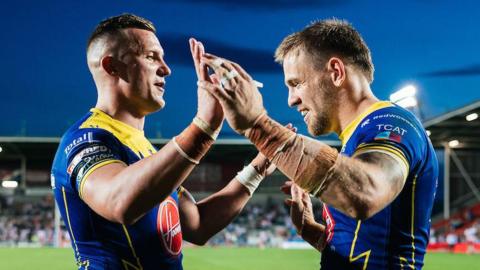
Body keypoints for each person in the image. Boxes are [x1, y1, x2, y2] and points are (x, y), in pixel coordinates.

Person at [198, 19, 438, 269]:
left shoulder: (392, 124)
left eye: (296, 83)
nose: (291, 100)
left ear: (336, 72)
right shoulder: (358, 138)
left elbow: (367, 192)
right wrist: (313, 232)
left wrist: (258, 126)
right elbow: (369, 249)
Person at [51, 14, 279, 270]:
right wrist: (203, 127)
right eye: (151, 57)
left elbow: (198, 224)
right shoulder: (85, 139)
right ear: (112, 66)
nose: (166, 69)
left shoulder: (148, 152)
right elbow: (119, 202)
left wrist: (257, 169)